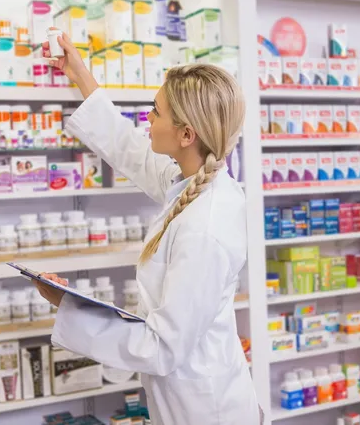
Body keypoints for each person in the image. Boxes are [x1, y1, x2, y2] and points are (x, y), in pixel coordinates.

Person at [33, 30, 261, 425]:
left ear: (187, 135)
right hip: (191, 401)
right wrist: (80, 75)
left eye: (156, 112)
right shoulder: (194, 179)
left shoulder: (204, 229)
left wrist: (68, 306)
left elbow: (161, 347)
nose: (147, 119)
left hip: (207, 413)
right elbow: (132, 151)